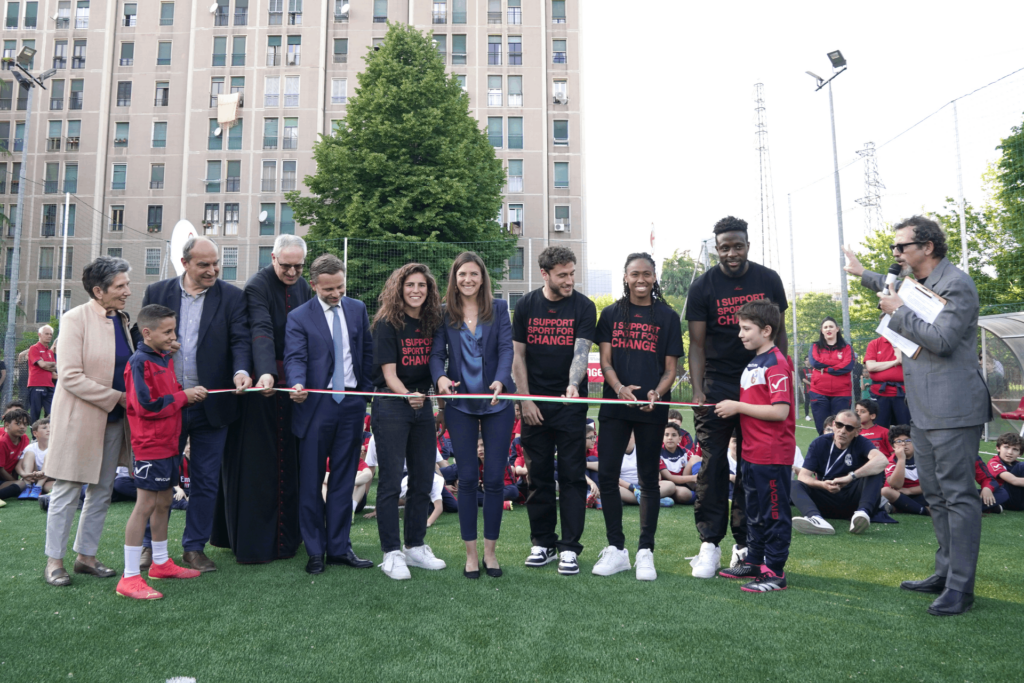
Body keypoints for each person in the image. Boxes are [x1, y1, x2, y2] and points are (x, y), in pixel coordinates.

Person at [845, 214, 992, 616]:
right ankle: (945, 574)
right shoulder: (920, 284)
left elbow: (942, 340)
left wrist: (896, 311)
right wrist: (863, 274)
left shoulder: (957, 283)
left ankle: (961, 587)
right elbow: (891, 288)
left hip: (954, 408)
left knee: (958, 495)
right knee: (938, 496)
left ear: (927, 247)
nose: (896, 254)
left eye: (901, 247)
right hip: (924, 410)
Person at [132, 236, 252, 573]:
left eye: (216, 263)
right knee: (158, 481)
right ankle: (149, 548)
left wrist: (242, 372)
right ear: (185, 263)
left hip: (213, 404)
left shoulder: (232, 296)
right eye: (204, 264)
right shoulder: (157, 292)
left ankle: (194, 548)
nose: (213, 270)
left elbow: (240, 341)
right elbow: (140, 336)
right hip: (167, 405)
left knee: (206, 480)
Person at [685, 215, 788, 578]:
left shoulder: (768, 279)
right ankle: (709, 543)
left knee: (751, 464)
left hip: (759, 381)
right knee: (713, 464)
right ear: (717, 248)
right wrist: (699, 390)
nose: (732, 252)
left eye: (738, 245)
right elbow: (696, 346)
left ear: (747, 244)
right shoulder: (702, 287)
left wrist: (783, 373)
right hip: (720, 383)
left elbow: (780, 334)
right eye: (724, 247)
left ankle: (746, 544)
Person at [213, 235, 312, 564]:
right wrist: (266, 372)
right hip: (262, 389)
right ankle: (257, 542)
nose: (293, 272)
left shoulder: (303, 285)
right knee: (259, 467)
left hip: (293, 388)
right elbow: (261, 329)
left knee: (289, 464)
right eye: (286, 266)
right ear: (273, 258)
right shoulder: (257, 285)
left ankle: (288, 539)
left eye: (299, 266)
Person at [591, 252, 684, 581]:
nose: (641, 279)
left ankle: (646, 551)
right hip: (616, 406)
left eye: (647, 273)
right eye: (635, 274)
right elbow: (605, 362)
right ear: (626, 277)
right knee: (607, 476)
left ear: (654, 277)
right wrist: (618, 389)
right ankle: (617, 549)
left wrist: (657, 393)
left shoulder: (668, 317)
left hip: (652, 407)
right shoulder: (611, 314)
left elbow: (672, 369)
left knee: (648, 478)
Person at [43, 256, 134, 586]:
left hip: (114, 423)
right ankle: (55, 562)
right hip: (79, 422)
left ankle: (86, 558)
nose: (127, 290)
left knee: (102, 492)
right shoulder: (74, 318)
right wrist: (119, 398)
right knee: (66, 491)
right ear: (99, 290)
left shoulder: (121, 319)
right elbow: (69, 376)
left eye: (126, 284)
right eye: (120, 286)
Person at [284, 253, 374, 575]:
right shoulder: (298, 317)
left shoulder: (358, 309)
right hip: (315, 407)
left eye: (340, 287)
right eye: (329, 290)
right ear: (313, 285)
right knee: (310, 483)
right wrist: (296, 383)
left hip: (350, 405)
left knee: (343, 481)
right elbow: (295, 358)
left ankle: (339, 548)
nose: (336, 294)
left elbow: (366, 353)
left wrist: (364, 395)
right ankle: (315, 551)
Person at [431, 252, 516, 579]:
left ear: (483, 278)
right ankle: (469, 555)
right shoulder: (443, 313)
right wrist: (439, 378)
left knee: (494, 480)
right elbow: (437, 354)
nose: (468, 280)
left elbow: (507, 348)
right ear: (454, 278)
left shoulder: (499, 308)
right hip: (459, 404)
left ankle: (490, 554)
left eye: (474, 275)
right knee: (466, 479)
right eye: (462, 274)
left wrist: (500, 379)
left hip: (497, 403)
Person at [512, 246, 596, 575]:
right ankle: (542, 543)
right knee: (538, 476)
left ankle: (570, 549)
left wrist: (573, 385)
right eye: (563, 275)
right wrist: (525, 399)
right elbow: (518, 357)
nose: (570, 280)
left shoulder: (584, 306)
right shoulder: (526, 305)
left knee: (573, 477)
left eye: (572, 273)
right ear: (545, 274)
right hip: (534, 405)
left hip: (570, 405)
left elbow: (581, 352)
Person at [117, 304, 207, 599]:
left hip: (169, 443)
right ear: (147, 333)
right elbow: (146, 406)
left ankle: (160, 563)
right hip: (150, 445)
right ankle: (129, 577)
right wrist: (184, 396)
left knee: (165, 500)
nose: (173, 337)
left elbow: (165, 391)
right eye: (167, 332)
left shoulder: (161, 357)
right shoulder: (139, 363)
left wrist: (167, 346)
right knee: (145, 505)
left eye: (174, 331)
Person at [370, 263, 447, 580]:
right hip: (391, 405)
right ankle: (391, 553)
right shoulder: (387, 323)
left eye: (422, 285)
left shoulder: (433, 322)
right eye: (410, 284)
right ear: (399, 288)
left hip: (422, 407)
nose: (416, 290)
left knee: (422, 479)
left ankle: (415, 546)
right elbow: (389, 374)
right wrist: (407, 395)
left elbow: (435, 366)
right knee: (389, 482)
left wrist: (439, 406)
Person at [714, 299, 795, 592]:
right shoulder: (754, 362)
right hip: (752, 452)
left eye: (746, 328)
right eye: (740, 327)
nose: (740, 334)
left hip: (772, 454)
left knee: (774, 513)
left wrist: (737, 406)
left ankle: (774, 572)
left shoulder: (776, 363)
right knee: (755, 512)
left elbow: (780, 411)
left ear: (767, 330)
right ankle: (755, 559)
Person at [790, 408, 888, 535]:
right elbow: (803, 476)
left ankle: (862, 514)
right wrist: (822, 484)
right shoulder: (819, 443)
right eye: (839, 425)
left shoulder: (861, 443)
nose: (842, 431)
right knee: (793, 484)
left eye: (849, 428)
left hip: (853, 500)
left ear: (858, 431)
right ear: (833, 425)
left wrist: (850, 477)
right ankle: (816, 519)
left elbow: (882, 460)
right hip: (825, 496)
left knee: (876, 470)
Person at [808, 317, 855, 435]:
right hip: (819, 392)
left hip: (842, 393)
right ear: (822, 330)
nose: (828, 329)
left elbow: (848, 365)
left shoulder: (847, 347)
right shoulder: (815, 346)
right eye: (825, 327)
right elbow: (815, 362)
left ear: (837, 329)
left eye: (831, 326)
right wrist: (837, 365)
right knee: (822, 428)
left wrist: (827, 369)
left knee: (840, 429)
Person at [864, 332, 910, 429]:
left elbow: (903, 360)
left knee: (906, 428)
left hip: (903, 393)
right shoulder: (874, 343)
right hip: (879, 393)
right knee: (879, 427)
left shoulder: (906, 342)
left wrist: (882, 365)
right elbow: (871, 366)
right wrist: (895, 362)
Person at [881, 425, 928, 516]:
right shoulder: (890, 462)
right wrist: (901, 460)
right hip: (900, 496)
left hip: (922, 493)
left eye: (908, 440)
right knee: (885, 491)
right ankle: (925, 511)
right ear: (893, 446)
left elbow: (933, 485)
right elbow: (896, 485)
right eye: (898, 441)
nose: (903, 444)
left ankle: (901, 509)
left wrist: (909, 490)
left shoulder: (925, 459)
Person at [27, 325, 57, 422]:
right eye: (46, 334)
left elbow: (54, 369)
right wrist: (47, 365)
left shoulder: (50, 352)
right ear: (39, 335)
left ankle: (49, 435)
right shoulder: (34, 348)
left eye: (51, 334)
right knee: (35, 412)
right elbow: (42, 365)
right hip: (36, 385)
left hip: (49, 386)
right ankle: (34, 436)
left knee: (51, 413)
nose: (49, 336)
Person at [986, 433, 1024, 511]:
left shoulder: (1016, 463)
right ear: (998, 448)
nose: (1010, 452)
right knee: (1022, 466)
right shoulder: (994, 463)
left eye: (1015, 449)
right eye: (1006, 447)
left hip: (1018, 499)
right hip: (1005, 499)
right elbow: (1014, 480)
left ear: (1020, 454)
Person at [16, 417, 53, 496]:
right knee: (29, 453)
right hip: (33, 477)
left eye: (51, 428)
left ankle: (38, 487)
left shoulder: (56, 447)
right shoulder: (30, 447)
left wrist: (43, 473)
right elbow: (18, 466)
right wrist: (23, 474)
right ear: (35, 433)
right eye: (44, 428)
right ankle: (27, 486)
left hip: (52, 477)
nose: (48, 430)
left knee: (47, 487)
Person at [0, 408, 31, 501]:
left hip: (5, 479)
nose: (22, 427)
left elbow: (18, 462)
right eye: (18, 423)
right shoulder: (2, 442)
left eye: (25, 424)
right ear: (7, 425)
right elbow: (0, 469)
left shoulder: (25, 438)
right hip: (2, 476)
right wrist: (14, 481)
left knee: (23, 484)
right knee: (21, 484)